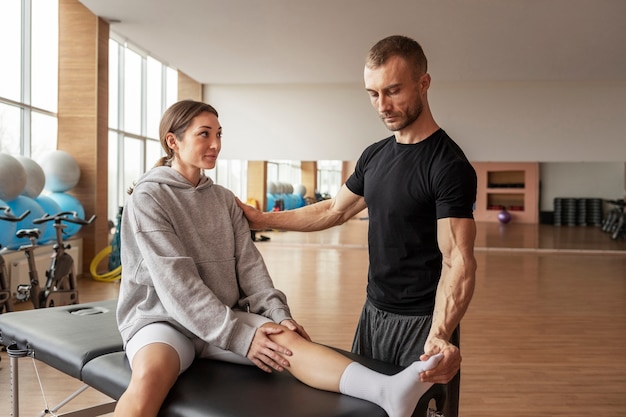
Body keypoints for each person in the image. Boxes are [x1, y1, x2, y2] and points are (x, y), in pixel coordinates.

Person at [114, 99, 445, 417]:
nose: (215, 143)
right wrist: (242, 338)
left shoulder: (224, 199)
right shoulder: (149, 197)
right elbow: (178, 286)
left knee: (289, 342)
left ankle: (387, 391)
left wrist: (278, 314)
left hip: (222, 317)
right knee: (150, 379)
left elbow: (249, 266)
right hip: (163, 321)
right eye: (204, 134)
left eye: (219, 134)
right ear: (173, 140)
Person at [237, 35, 477, 417]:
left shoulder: (447, 165)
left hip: (422, 321)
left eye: (393, 91)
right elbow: (333, 210)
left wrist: (440, 333)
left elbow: (458, 260)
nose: (382, 105)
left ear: (424, 83)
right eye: (373, 93)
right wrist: (263, 218)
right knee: (363, 408)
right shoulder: (375, 156)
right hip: (374, 313)